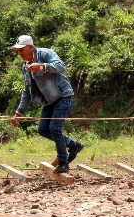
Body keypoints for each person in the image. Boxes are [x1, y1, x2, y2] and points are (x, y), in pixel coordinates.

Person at [10, 35, 84, 173]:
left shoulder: (46, 54)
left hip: (63, 96)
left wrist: (42, 66)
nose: (19, 53)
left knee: (55, 128)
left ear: (30, 47)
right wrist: (18, 113)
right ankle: (73, 144)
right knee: (43, 130)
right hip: (49, 101)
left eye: (21, 49)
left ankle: (63, 163)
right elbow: (27, 91)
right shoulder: (25, 68)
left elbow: (61, 66)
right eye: (17, 50)